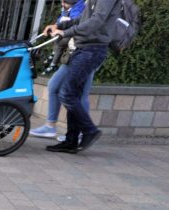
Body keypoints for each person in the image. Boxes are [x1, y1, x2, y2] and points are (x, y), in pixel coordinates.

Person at [43, 0, 121, 153]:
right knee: (74, 94)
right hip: (83, 48)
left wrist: (66, 32)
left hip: (92, 50)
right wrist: (60, 26)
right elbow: (84, 19)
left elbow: (96, 21)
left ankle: (90, 130)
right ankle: (71, 140)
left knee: (66, 92)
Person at [31, 0, 92, 141]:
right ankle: (50, 126)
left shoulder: (83, 7)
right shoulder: (71, 8)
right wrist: (56, 26)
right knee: (54, 86)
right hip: (75, 54)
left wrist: (60, 27)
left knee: (81, 94)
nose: (62, 3)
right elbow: (66, 22)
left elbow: (77, 23)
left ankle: (82, 133)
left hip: (85, 53)